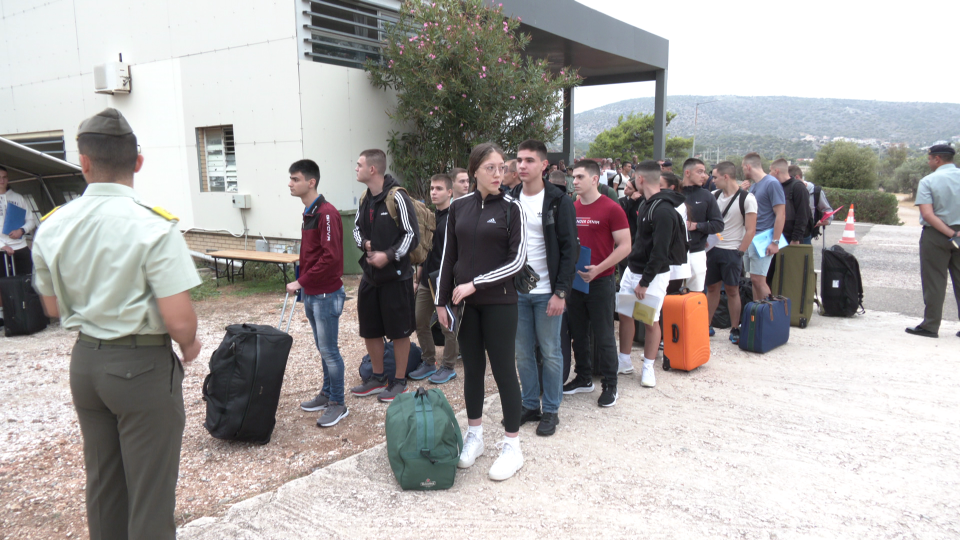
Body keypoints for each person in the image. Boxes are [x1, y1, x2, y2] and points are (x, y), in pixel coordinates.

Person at [31, 108, 202, 540]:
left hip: (86, 363)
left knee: (105, 486)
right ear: (137, 162)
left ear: (84, 163)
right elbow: (180, 319)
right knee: (150, 495)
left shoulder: (53, 226)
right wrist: (189, 345)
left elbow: (51, 308)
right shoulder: (154, 226)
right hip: (141, 367)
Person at [435, 142, 526, 481]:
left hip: (500, 303)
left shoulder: (512, 208)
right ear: (474, 171)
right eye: (491, 168)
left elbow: (518, 260)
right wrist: (441, 301)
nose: (498, 173)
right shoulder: (459, 207)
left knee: (503, 372)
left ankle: (512, 446)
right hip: (466, 306)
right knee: (473, 370)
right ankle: (475, 436)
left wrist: (476, 283)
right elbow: (449, 256)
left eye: (502, 167)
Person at [510, 139, 577, 436]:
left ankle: (551, 409)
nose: (522, 166)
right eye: (519, 160)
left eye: (529, 160)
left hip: (548, 292)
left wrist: (561, 292)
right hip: (518, 292)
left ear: (544, 165)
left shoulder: (558, 201)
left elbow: (569, 250)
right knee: (523, 353)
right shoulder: (510, 198)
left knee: (550, 352)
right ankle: (529, 404)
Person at [350, 149, 420, 402]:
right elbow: (356, 230)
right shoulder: (364, 198)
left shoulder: (397, 197)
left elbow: (412, 235)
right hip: (370, 277)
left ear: (372, 169)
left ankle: (399, 381)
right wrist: (366, 244)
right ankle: (378, 378)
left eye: (359, 165)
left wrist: (388, 255)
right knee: (370, 329)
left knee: (400, 332)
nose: (355, 168)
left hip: (397, 278)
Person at [562, 160, 631, 407]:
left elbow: (625, 246)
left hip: (601, 282)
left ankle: (610, 384)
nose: (575, 181)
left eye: (580, 177)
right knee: (578, 333)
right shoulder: (572, 207)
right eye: (573, 177)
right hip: (576, 282)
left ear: (595, 179)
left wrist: (599, 269)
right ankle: (583, 377)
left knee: (603, 335)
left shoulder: (612, 208)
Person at [288, 159, 348, 427]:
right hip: (313, 294)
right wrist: (305, 285)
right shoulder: (309, 212)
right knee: (323, 349)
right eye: (291, 179)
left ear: (311, 182)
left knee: (330, 351)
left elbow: (330, 258)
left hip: (326, 295)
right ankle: (327, 394)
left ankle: (338, 403)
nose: (290, 184)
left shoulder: (326, 214)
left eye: (296, 179)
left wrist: (300, 281)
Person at [618, 160, 687, 389]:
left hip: (652, 276)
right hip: (632, 270)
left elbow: (660, 251)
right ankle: (624, 360)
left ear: (640, 179)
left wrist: (645, 281)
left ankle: (648, 366)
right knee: (625, 313)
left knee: (650, 320)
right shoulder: (646, 203)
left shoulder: (664, 210)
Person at [409, 174, 460, 384]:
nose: (434, 192)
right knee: (420, 321)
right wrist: (417, 277)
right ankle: (429, 361)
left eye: (439, 188)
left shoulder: (454, 218)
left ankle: (448, 366)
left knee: (448, 325)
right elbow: (425, 250)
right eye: (432, 188)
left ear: (449, 192)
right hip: (426, 279)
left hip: (445, 280)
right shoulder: (429, 217)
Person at [906, 144, 960, 339]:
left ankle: (930, 325)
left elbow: (928, 214)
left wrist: (951, 233)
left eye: (929, 159)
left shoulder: (928, 181)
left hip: (936, 235)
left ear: (937, 159)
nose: (929, 162)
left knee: (935, 282)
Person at [705, 161, 757, 344]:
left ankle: (735, 328)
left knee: (732, 290)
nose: (712, 180)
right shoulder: (713, 196)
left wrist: (740, 252)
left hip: (732, 252)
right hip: (712, 250)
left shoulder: (747, 199)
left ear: (725, 177)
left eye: (715, 177)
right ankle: (706, 325)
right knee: (712, 289)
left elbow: (751, 230)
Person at [741, 153, 785, 300]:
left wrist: (775, 242)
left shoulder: (772, 183)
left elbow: (781, 214)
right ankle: (757, 310)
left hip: (763, 238)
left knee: (759, 280)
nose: (743, 170)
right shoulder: (754, 186)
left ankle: (769, 311)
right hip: (751, 237)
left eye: (743, 167)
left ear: (748, 166)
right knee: (754, 280)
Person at [0, 165, 39, 327]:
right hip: (2, 248)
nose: (2, 181)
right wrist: (2, 245)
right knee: (2, 282)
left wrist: (21, 230)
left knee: (26, 279)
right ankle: (4, 315)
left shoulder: (18, 198)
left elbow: (31, 220)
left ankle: (29, 312)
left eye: (4, 177)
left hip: (20, 245)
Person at [680, 158, 724, 293]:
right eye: (699, 172)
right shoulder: (674, 193)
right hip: (673, 254)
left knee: (696, 295)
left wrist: (697, 226)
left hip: (697, 252)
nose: (704, 176)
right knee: (671, 296)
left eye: (704, 172)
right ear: (687, 173)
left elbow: (718, 225)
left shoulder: (707, 196)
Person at [790, 165, 833, 244]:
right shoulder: (788, 190)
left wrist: (827, 220)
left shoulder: (815, 192)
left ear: (797, 177)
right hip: (789, 231)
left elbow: (827, 210)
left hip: (807, 232)